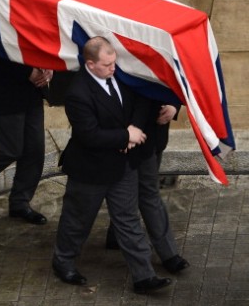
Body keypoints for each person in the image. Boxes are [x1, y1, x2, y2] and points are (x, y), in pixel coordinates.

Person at [52, 36, 172, 295]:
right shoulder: (77, 93)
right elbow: (89, 134)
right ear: (91, 64)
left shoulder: (120, 76)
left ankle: (144, 276)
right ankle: (63, 262)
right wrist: (125, 136)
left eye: (114, 62)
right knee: (78, 220)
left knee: (128, 220)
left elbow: (139, 102)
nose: (113, 68)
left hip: (122, 165)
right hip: (90, 170)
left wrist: (135, 130)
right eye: (107, 65)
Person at [0, 53, 53, 225]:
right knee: (8, 148)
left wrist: (48, 66)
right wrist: (27, 71)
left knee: (34, 150)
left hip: (31, 91)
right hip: (3, 89)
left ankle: (20, 203)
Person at [105, 100, 190, 274]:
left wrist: (174, 106)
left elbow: (174, 76)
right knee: (147, 193)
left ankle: (116, 233)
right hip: (127, 133)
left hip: (153, 133)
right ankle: (168, 254)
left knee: (142, 190)